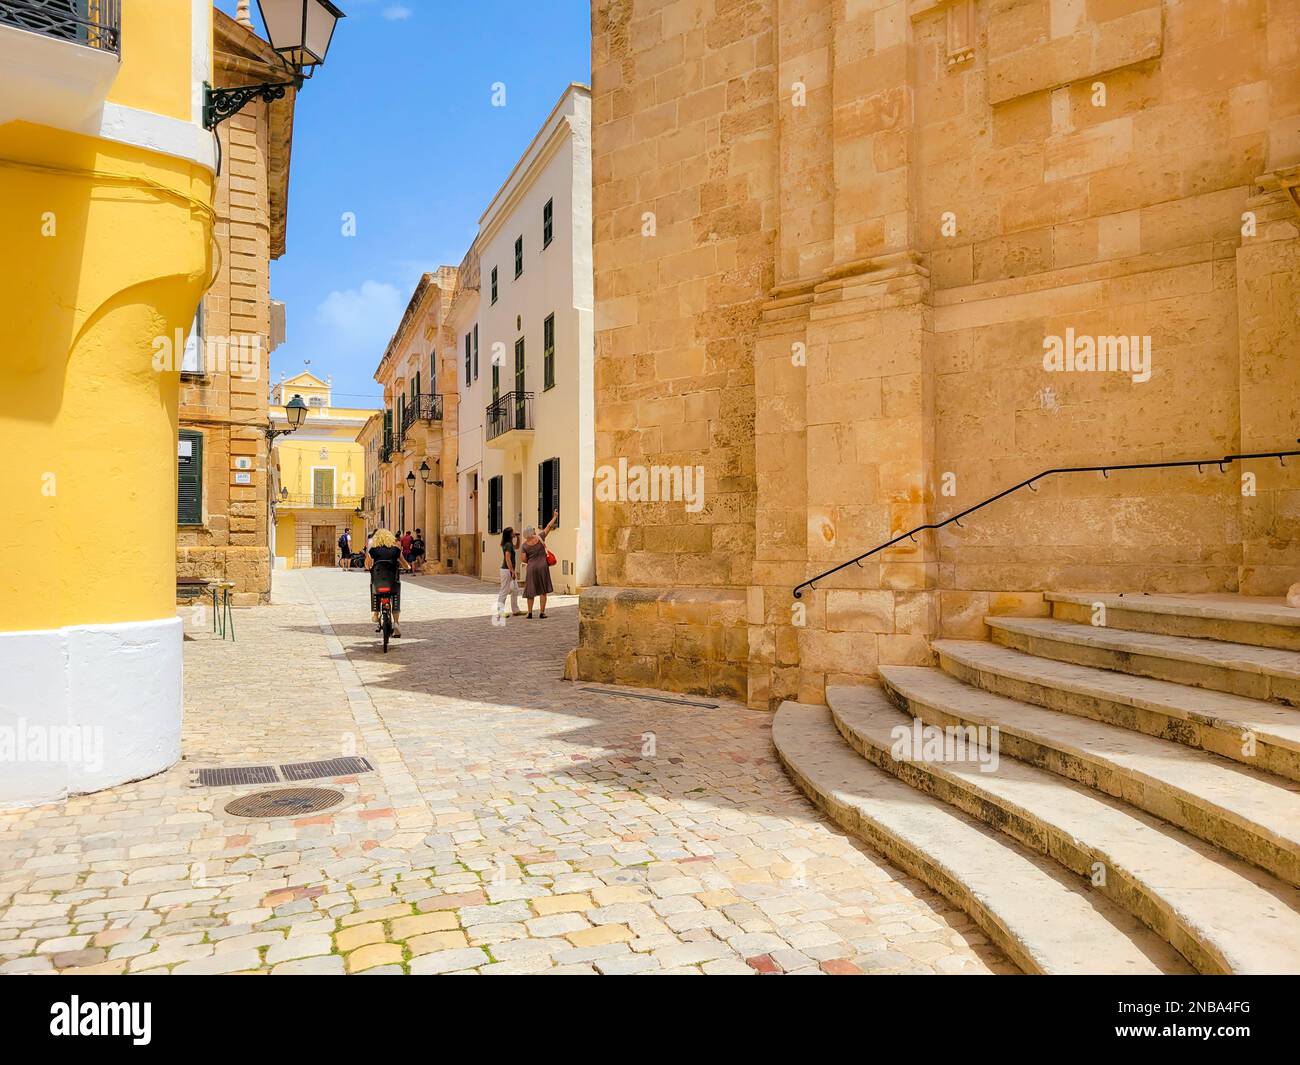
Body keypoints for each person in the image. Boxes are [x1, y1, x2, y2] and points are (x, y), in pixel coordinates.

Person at [365, 528, 410, 637]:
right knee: (395, 597)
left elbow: (367, 565)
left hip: (378, 582)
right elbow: (405, 564)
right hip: (392, 582)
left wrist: (370, 567)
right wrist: (407, 567)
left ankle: (375, 613)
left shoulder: (373, 550)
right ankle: (396, 623)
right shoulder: (396, 550)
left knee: (374, 588)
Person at [521, 510, 559, 619]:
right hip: (543, 567)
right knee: (543, 591)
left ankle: (529, 613)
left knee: (530, 591)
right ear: (532, 532)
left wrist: (530, 559)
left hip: (532, 568)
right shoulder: (540, 537)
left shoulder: (524, 545)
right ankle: (542, 613)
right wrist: (555, 516)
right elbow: (548, 526)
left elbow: (523, 559)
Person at [496, 527, 524, 619]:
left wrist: (518, 538)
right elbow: (507, 558)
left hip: (508, 570)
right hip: (506, 570)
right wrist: (512, 571)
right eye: (513, 532)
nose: (514, 532)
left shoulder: (509, 544)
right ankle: (500, 611)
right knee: (504, 590)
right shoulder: (508, 545)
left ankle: (515, 610)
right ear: (509, 534)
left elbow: (517, 547)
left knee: (515, 589)